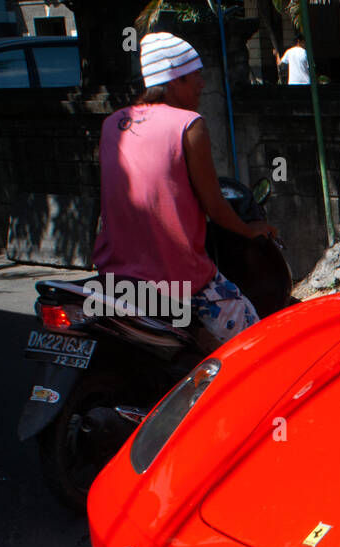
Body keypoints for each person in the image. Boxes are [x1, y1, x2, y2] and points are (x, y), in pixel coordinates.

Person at [92, 33, 277, 350]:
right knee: (255, 342)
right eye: (196, 76)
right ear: (175, 79)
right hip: (177, 281)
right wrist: (250, 230)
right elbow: (215, 208)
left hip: (113, 277)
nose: (202, 84)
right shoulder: (190, 124)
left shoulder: (112, 124)